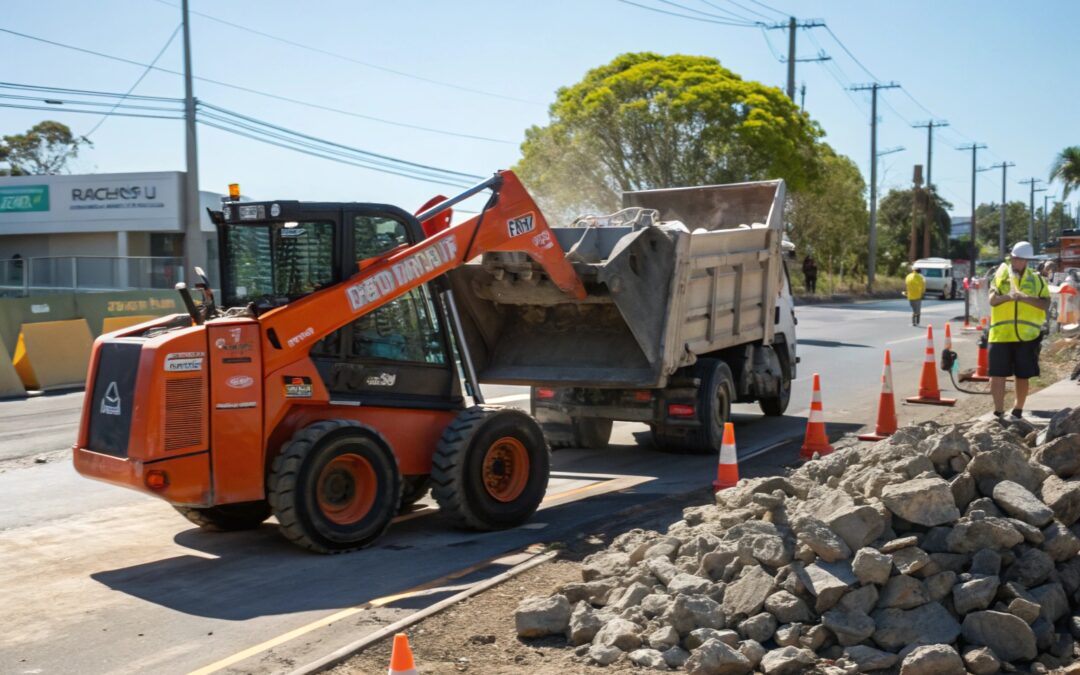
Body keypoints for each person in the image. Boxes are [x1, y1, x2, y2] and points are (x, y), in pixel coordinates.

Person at [988, 241, 1051, 420]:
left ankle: (1017, 410)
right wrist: (1008, 297)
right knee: (997, 374)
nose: (1017, 262)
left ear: (1027, 261)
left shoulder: (1036, 279)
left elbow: (1045, 303)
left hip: (1027, 335)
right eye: (1014, 259)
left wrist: (1025, 298)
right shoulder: (1000, 276)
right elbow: (992, 300)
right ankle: (998, 412)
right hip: (1000, 334)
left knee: (1022, 375)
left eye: (1021, 259)